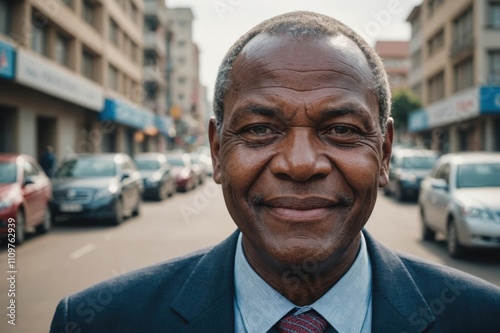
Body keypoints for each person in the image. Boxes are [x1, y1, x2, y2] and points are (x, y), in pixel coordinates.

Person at [50, 11, 500, 333]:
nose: (300, 164)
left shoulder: (483, 318)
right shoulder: (97, 321)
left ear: (384, 153)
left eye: (341, 130)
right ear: (216, 150)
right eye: (260, 129)